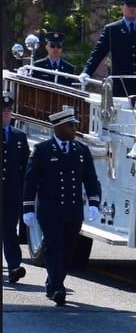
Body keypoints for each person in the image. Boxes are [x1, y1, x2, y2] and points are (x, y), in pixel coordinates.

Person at [19, 107, 100, 306]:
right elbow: (30, 181)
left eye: (74, 125)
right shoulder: (43, 150)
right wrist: (28, 208)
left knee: (68, 249)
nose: (74, 129)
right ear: (59, 127)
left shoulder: (81, 150)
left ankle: (54, 281)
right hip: (50, 209)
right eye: (70, 126)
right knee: (53, 246)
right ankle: (57, 287)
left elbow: (91, 178)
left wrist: (94, 202)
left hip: (72, 209)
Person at [84, 0, 136, 98]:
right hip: (120, 83)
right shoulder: (112, 29)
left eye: (135, 6)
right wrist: (87, 72)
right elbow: (99, 52)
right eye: (129, 5)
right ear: (122, 8)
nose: (132, 9)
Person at [3, 95, 29, 284]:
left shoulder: (19, 136)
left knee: (10, 230)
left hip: (11, 192)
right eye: (3, 110)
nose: (6, 114)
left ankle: (14, 267)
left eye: (8, 110)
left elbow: (25, 166)